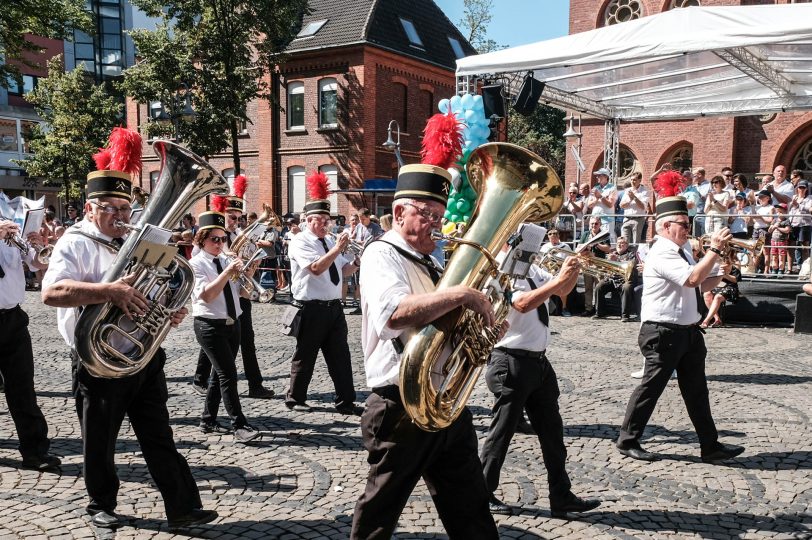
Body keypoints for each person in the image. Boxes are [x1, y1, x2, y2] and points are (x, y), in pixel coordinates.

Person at [41, 159, 217, 530]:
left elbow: (165, 284)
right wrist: (108, 290)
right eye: (111, 208)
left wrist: (168, 309)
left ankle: (182, 506)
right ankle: (99, 504)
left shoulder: (140, 241)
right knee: (100, 439)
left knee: (158, 434)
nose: (121, 216)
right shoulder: (74, 243)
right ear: (90, 207)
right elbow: (52, 293)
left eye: (125, 208)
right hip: (98, 359)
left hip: (143, 354)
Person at [351, 163, 498, 539]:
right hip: (400, 403)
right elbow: (394, 316)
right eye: (427, 214)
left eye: (439, 215)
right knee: (380, 512)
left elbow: (442, 322)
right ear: (399, 213)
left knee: (471, 505)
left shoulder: (431, 260)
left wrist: (480, 328)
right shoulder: (381, 254)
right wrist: (462, 293)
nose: (436, 222)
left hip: (444, 400)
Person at [480, 223, 600, 519]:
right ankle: (481, 494)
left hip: (537, 362)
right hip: (510, 361)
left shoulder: (532, 271)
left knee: (552, 433)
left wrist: (570, 272)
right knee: (501, 434)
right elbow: (521, 303)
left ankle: (561, 495)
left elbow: (561, 293)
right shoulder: (501, 273)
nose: (533, 251)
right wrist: (558, 279)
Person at [615, 195, 745, 464]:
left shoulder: (682, 250)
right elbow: (692, 279)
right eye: (682, 224)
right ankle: (627, 440)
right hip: (663, 332)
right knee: (651, 388)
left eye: (688, 223)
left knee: (697, 391)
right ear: (665, 227)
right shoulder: (662, 251)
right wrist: (716, 251)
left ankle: (710, 446)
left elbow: (700, 285)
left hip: (686, 332)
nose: (688, 228)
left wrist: (722, 271)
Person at [285, 184, 361, 414]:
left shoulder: (329, 241)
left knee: (341, 355)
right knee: (305, 355)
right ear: (308, 221)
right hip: (311, 307)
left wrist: (357, 262)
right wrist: (338, 249)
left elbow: (342, 272)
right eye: (319, 220)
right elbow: (317, 268)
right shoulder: (301, 241)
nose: (324, 224)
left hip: (333, 307)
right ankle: (295, 398)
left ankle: (346, 401)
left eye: (327, 220)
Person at [191, 194, 274, 399]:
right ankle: (201, 379)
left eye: (238, 217)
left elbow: (246, 260)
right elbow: (201, 264)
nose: (235, 222)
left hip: (239, 294)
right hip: (218, 297)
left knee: (247, 340)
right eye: (231, 217)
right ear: (221, 215)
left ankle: (255, 384)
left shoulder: (238, 235)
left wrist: (252, 265)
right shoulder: (209, 239)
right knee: (215, 342)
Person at [190, 211, 261, 442]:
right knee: (228, 375)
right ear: (202, 240)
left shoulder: (225, 260)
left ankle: (208, 419)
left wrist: (248, 273)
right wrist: (228, 273)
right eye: (215, 239)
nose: (221, 243)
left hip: (233, 322)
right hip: (209, 325)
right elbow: (207, 296)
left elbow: (241, 293)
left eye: (223, 239)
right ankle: (239, 425)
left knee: (218, 374)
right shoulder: (196, 264)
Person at [0, 219, 60, 473]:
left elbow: (37, 264)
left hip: (12, 318)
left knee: (23, 388)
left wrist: (38, 247)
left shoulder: (10, 235)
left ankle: (35, 451)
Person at [594, 236, 639, 321]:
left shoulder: (632, 253)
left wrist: (617, 259)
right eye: (618, 243)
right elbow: (606, 268)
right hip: (612, 279)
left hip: (625, 279)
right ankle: (599, 313)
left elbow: (631, 265)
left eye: (622, 243)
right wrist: (606, 264)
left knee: (626, 287)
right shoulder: (612, 253)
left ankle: (625, 315)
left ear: (627, 245)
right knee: (599, 286)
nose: (620, 245)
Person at [578, 216, 611, 316]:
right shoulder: (586, 234)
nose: (594, 225)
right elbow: (578, 247)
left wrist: (596, 244)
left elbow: (608, 248)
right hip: (587, 263)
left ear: (600, 224)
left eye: (596, 223)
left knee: (599, 287)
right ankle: (589, 308)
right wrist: (586, 247)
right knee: (588, 287)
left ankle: (599, 309)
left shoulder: (604, 234)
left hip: (599, 264)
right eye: (592, 223)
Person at [701, 252, 740, 329]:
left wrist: (725, 274)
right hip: (717, 287)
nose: (725, 266)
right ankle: (717, 319)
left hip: (730, 288)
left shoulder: (735, 269)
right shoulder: (717, 268)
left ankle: (706, 321)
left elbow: (735, 280)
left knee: (717, 297)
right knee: (706, 294)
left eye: (727, 265)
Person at [620, 172, 649, 245]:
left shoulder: (644, 191)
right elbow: (621, 205)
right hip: (626, 219)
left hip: (638, 219)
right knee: (624, 242)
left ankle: (634, 256)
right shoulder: (627, 190)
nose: (632, 182)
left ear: (640, 180)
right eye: (631, 180)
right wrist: (630, 200)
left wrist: (634, 197)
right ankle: (626, 256)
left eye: (635, 180)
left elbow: (643, 207)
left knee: (635, 243)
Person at [591, 168, 618, 242]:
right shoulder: (595, 188)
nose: (597, 177)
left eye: (599, 175)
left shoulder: (612, 188)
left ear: (606, 177)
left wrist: (600, 196)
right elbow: (589, 204)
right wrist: (597, 199)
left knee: (606, 240)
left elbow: (610, 204)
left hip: (607, 220)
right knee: (593, 240)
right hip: (595, 219)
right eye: (597, 176)